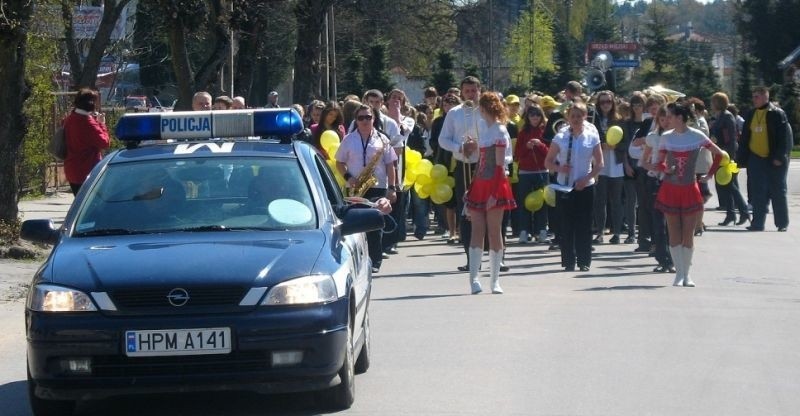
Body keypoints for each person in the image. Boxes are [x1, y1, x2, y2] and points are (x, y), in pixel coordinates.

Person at [654, 102, 726, 287]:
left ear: (680, 118)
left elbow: (719, 154)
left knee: (688, 233)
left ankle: (687, 274)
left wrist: (710, 175)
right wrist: (665, 168)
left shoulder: (697, 135)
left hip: (689, 188)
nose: (667, 119)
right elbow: (657, 163)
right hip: (670, 188)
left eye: (670, 116)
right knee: (673, 232)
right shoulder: (666, 137)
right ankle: (679, 274)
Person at [335, 104, 398, 273]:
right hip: (355, 188)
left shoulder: (383, 139)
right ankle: (358, 261)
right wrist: (349, 178)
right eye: (361, 118)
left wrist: (392, 188)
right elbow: (339, 162)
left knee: (375, 225)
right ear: (356, 120)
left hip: (377, 187)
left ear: (374, 119)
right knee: (356, 227)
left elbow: (391, 165)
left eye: (368, 117)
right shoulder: (349, 139)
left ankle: (375, 261)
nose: (364, 121)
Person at [464, 92, 516, 294]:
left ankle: (495, 281)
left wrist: (494, 192)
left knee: (494, 231)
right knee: (477, 230)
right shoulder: (484, 131)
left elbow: (500, 165)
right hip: (480, 183)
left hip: (495, 183)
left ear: (484, 109)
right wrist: (470, 188)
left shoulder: (500, 131)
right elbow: (480, 163)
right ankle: (474, 279)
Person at [544, 101, 604, 272]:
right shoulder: (561, 137)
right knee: (566, 225)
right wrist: (559, 168)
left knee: (584, 225)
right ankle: (568, 260)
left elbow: (599, 163)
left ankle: (584, 260)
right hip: (565, 186)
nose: (576, 119)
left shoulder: (592, 136)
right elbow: (548, 162)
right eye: (573, 116)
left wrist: (587, 179)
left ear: (585, 117)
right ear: (568, 118)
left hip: (585, 186)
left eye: (580, 116)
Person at [437, 76, 483, 271]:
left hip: (484, 165)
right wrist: (460, 147)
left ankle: (497, 256)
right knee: (467, 212)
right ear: (462, 93)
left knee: (489, 211)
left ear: (479, 91)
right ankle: (471, 258)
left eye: (474, 91)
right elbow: (442, 140)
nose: (471, 95)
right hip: (463, 164)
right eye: (467, 91)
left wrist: (477, 146)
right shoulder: (454, 113)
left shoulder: (486, 110)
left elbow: (497, 135)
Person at [736, 86, 791, 232]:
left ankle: (782, 223)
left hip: (773, 159)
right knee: (757, 192)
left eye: (757, 97)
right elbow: (745, 138)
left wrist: (780, 157)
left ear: (766, 97)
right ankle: (757, 223)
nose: (754, 99)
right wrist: (741, 158)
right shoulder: (751, 114)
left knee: (778, 191)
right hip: (756, 158)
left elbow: (783, 139)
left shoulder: (777, 114)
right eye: (753, 96)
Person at [640, 105, 675, 273]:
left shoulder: (678, 137)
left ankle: (675, 258)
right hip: (655, 180)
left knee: (673, 223)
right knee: (659, 222)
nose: (666, 122)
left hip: (674, 181)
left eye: (669, 118)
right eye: (662, 119)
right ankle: (663, 258)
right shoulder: (653, 137)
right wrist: (652, 166)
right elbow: (643, 160)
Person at [709, 92, 749, 227]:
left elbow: (731, 139)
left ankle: (743, 211)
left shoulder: (727, 117)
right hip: (721, 155)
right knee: (726, 185)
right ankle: (731, 214)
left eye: (713, 102)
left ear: (718, 103)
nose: (711, 104)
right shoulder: (720, 116)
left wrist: (728, 157)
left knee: (730, 184)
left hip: (728, 157)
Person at [63, 87, 111, 195]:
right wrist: (101, 123)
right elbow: (105, 143)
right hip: (87, 172)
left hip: (71, 169)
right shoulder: (89, 123)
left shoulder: (69, 119)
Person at [592, 90, 625, 245]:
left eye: (609, 102)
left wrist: (616, 145)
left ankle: (617, 232)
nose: (606, 104)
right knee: (600, 200)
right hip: (600, 164)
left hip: (616, 165)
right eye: (603, 102)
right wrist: (601, 144)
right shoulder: (594, 120)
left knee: (616, 200)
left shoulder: (619, 120)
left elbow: (626, 142)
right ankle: (599, 232)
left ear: (613, 103)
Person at [513, 104, 550, 244]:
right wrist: (527, 147)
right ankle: (524, 231)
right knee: (524, 202)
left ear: (541, 116)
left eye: (537, 115)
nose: (535, 117)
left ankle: (541, 230)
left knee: (541, 202)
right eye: (531, 115)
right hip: (525, 172)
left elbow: (549, 153)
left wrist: (540, 145)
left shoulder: (545, 131)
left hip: (542, 170)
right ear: (527, 117)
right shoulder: (523, 132)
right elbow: (517, 155)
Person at [430, 93, 462, 245]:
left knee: (463, 200)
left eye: (453, 103)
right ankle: (451, 231)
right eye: (446, 104)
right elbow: (434, 141)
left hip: (462, 162)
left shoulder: (463, 120)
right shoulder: (438, 122)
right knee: (449, 202)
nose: (449, 106)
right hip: (445, 164)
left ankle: (462, 231)